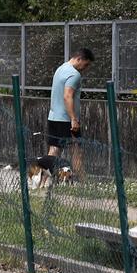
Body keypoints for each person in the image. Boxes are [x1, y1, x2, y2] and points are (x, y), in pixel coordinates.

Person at [46, 47, 94, 180]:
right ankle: (84, 182)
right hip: (66, 120)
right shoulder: (74, 74)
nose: (86, 68)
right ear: (79, 59)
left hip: (53, 117)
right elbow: (67, 96)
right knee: (76, 150)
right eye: (86, 64)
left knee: (54, 149)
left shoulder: (61, 68)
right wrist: (73, 119)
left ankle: (44, 179)